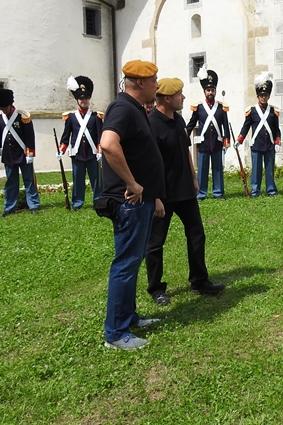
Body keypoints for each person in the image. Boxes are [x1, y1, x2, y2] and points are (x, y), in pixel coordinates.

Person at [98, 59, 166, 350]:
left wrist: (153, 193)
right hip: (130, 202)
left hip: (144, 200)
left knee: (132, 261)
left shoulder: (136, 109)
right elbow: (108, 143)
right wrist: (132, 183)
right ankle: (115, 333)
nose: (157, 85)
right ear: (140, 83)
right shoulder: (123, 107)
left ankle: (128, 317)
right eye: (153, 80)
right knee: (125, 264)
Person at [146, 77, 226, 306]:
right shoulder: (152, 124)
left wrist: (193, 178)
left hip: (185, 191)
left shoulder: (178, 120)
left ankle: (199, 281)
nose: (183, 97)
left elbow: (185, 150)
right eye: (179, 94)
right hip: (163, 193)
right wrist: (156, 196)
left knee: (196, 234)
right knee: (155, 242)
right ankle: (156, 288)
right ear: (167, 98)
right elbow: (150, 164)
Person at [0, 88, 41, 216]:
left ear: (10, 104)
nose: (3, 110)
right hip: (8, 155)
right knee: (11, 182)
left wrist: (30, 154)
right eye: (1, 107)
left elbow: (29, 137)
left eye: (4, 107)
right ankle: (9, 207)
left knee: (29, 180)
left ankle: (33, 204)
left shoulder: (22, 117)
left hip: (23, 154)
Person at [58, 76, 104, 210]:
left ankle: (97, 201)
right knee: (78, 180)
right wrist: (61, 149)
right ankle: (77, 202)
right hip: (77, 154)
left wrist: (99, 151)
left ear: (89, 100)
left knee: (96, 180)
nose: (84, 101)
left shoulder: (96, 117)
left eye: (86, 98)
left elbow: (100, 136)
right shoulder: (71, 118)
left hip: (92, 154)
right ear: (77, 100)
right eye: (81, 99)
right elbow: (66, 136)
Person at [186, 67, 230, 200]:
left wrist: (226, 140)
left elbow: (225, 125)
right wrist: (184, 134)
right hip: (203, 143)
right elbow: (192, 123)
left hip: (216, 142)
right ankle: (201, 193)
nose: (210, 92)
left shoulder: (221, 108)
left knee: (217, 169)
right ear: (204, 91)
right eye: (208, 90)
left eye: (212, 90)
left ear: (215, 91)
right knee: (202, 170)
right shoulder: (198, 108)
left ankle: (218, 192)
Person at [235, 72, 281, 197]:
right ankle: (255, 190)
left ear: (269, 96)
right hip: (257, 144)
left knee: (270, 169)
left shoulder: (273, 111)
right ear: (257, 96)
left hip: (270, 144)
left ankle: (271, 189)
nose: (263, 98)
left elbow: (277, 129)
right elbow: (246, 127)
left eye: (265, 95)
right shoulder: (252, 111)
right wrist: (239, 140)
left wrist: (277, 142)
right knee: (256, 170)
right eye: (261, 95)